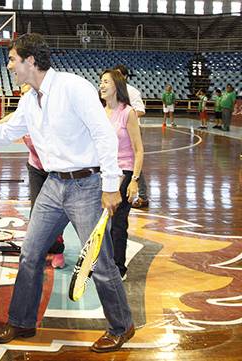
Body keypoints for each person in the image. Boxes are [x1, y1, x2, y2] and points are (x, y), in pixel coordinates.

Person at [0, 33, 133, 353]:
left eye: (13, 60)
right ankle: (22, 321)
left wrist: (111, 187)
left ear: (30, 61)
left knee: (99, 262)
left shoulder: (74, 87)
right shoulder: (29, 100)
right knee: (30, 254)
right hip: (53, 184)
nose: (9, 66)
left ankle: (120, 326)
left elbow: (104, 136)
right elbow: (4, 133)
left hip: (87, 186)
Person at [99, 70, 144, 281]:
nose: (101, 85)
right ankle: (102, 263)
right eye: (100, 82)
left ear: (117, 86)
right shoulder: (99, 113)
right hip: (103, 172)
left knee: (117, 223)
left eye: (106, 81)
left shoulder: (128, 113)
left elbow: (138, 150)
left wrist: (134, 180)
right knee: (101, 223)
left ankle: (118, 268)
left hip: (123, 172)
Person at [113, 65, 149, 209]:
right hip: (116, 130)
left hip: (130, 131)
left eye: (118, 75)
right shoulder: (113, 91)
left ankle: (142, 195)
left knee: (134, 163)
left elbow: (141, 110)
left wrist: (125, 116)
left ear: (125, 76)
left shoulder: (132, 92)